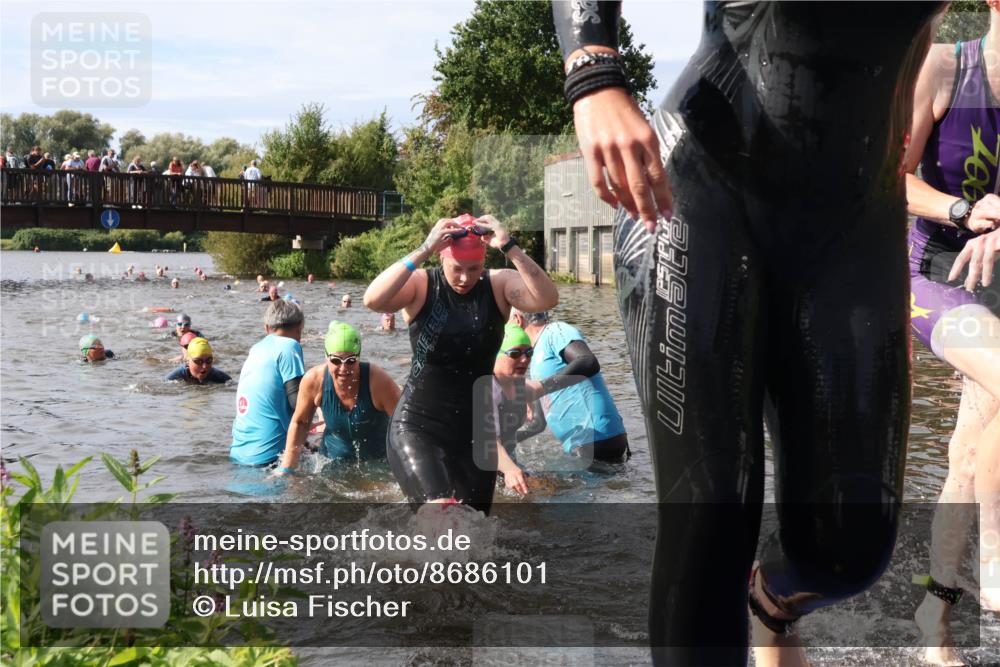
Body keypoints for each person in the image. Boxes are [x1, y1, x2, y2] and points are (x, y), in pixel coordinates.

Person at [552, 1, 945, 665]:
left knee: (850, 549)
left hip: (854, 225)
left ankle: (769, 598)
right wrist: (594, 75)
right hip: (702, 192)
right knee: (712, 513)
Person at [905, 5, 1000, 663]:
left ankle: (932, 610)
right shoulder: (945, 66)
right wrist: (965, 209)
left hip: (997, 285)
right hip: (933, 269)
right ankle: (996, 562)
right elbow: (893, 179)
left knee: (970, 453)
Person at [364, 213, 558, 514]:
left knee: (474, 527)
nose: (466, 278)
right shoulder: (421, 285)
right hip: (418, 427)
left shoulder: (498, 284)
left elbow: (546, 299)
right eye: (457, 269)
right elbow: (373, 300)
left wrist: (508, 245)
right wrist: (424, 248)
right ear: (442, 259)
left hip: (474, 435)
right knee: (441, 515)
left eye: (474, 268)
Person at [276, 321, 401, 473]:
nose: (343, 368)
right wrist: (287, 469)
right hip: (332, 463)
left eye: (351, 361)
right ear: (326, 357)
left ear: (359, 358)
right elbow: (301, 423)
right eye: (336, 361)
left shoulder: (378, 382)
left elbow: (405, 425)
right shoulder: (314, 380)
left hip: (378, 464)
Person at [511, 310, 629, 463]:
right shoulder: (534, 357)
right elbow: (538, 423)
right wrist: (506, 440)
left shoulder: (556, 330)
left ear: (517, 319)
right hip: (584, 444)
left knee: (544, 485)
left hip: (597, 438)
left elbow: (588, 362)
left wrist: (541, 387)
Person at [230, 301, 306, 466]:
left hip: (238, 455)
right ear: (300, 327)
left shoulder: (255, 349)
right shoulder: (290, 346)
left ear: (266, 328)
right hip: (269, 459)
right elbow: (297, 402)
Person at [489, 323, 536, 496]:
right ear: (495, 354)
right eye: (515, 353)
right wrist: (509, 469)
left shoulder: (517, 383)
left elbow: (542, 387)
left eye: (529, 353)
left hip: (505, 464)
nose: (524, 359)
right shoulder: (485, 387)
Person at [166, 337, 230, 384]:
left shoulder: (221, 378)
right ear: (188, 361)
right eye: (199, 361)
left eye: (209, 360)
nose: (204, 366)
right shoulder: (174, 378)